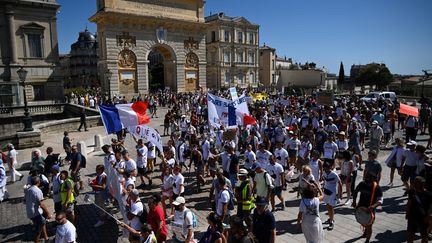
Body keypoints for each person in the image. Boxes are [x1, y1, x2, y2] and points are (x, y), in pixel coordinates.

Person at [352, 173, 383, 243]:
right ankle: (365, 233)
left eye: (369, 178)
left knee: (369, 226)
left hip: (370, 210)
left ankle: (367, 240)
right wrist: (354, 201)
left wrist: (373, 206)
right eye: (366, 178)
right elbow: (355, 191)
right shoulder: (362, 184)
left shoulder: (377, 188)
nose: (367, 180)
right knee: (363, 221)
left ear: (373, 180)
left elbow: (380, 201)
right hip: (361, 207)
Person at [406, 176, 432, 243]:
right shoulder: (411, 191)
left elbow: (430, 207)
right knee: (410, 235)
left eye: (416, 183)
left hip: (423, 218)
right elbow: (409, 203)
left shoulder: (428, 194)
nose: (414, 184)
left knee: (424, 236)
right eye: (414, 182)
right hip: (412, 217)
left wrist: (428, 217)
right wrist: (407, 213)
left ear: (422, 184)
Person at [26, 176, 51, 243]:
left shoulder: (28, 189)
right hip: (35, 213)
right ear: (39, 182)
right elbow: (41, 204)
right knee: (38, 229)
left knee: (42, 222)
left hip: (30, 212)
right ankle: (37, 241)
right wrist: (48, 213)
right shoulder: (37, 191)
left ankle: (46, 238)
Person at [322, 160, 342, 230]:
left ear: (330, 167)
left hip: (332, 193)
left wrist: (340, 194)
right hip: (326, 191)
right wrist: (323, 188)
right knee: (327, 206)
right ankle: (330, 218)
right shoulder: (324, 173)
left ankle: (331, 221)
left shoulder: (334, 174)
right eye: (325, 168)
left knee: (331, 207)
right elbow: (324, 181)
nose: (326, 169)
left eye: (327, 168)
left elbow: (340, 183)